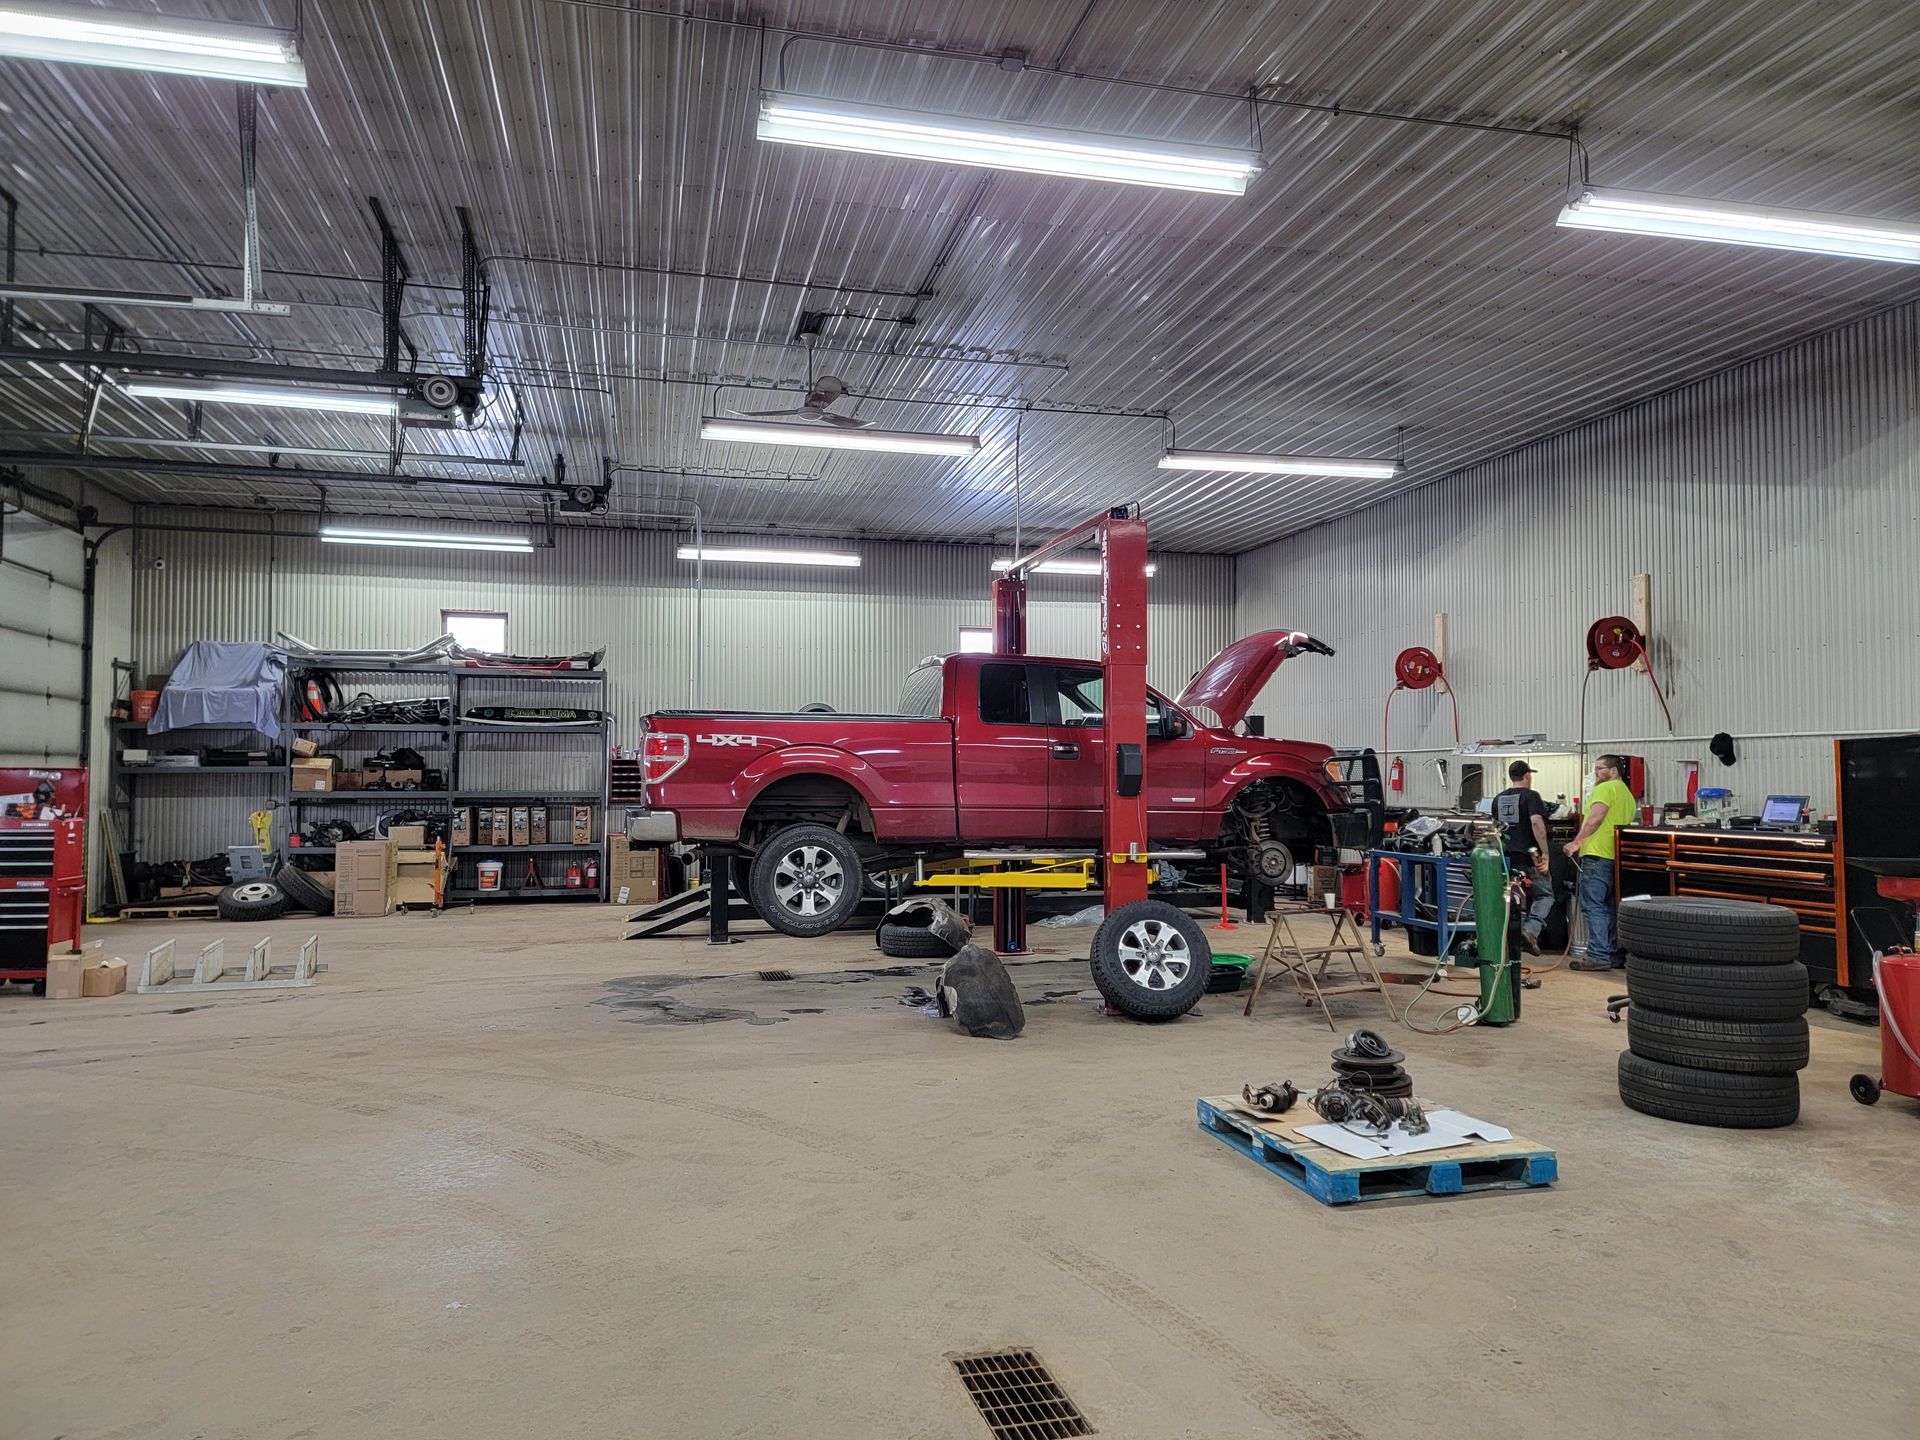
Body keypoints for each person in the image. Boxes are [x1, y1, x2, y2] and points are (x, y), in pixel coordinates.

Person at [1566, 753, 1636, 971]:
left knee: (1593, 905)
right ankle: (1613, 953)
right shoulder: (1627, 795)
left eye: (1600, 769)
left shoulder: (1604, 789)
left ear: (1613, 771)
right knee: (1609, 907)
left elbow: (1595, 819)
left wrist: (1576, 843)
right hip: (1615, 857)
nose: (1596, 773)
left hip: (1596, 855)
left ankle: (1597, 955)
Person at [1492, 760, 1553, 955]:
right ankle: (1530, 931)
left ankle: (1506, 939)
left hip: (1506, 859)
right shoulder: (1531, 796)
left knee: (1509, 898)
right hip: (1530, 857)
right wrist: (1545, 854)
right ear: (1527, 776)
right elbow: (1536, 823)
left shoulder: (1498, 798)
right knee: (1545, 895)